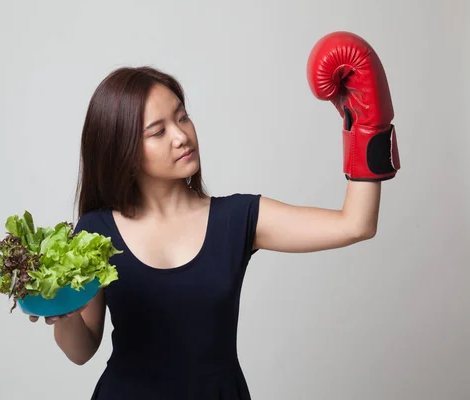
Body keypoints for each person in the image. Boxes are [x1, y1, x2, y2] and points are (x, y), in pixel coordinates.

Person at [29, 31, 400, 399]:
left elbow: (356, 224)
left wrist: (368, 124)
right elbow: (81, 351)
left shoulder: (237, 218)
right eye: (158, 131)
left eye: (183, 117)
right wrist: (60, 311)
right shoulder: (96, 231)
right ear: (122, 151)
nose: (181, 136)